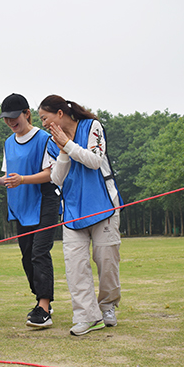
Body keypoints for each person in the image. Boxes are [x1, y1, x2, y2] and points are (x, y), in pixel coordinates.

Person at [38, 95, 123, 336]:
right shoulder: (51, 142)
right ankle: (86, 316)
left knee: (106, 262)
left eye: (45, 117)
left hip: (103, 206)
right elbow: (55, 177)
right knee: (75, 267)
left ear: (60, 114)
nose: (43, 123)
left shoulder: (92, 127)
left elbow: (95, 161)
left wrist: (69, 143)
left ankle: (107, 306)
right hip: (72, 212)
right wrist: (63, 148)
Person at [0, 93, 60, 329]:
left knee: (39, 252)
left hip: (44, 203)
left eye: (14, 117)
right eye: (5, 118)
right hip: (20, 205)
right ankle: (40, 299)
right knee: (27, 256)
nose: (10, 122)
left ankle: (44, 307)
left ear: (26, 114)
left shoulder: (45, 139)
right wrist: (0, 180)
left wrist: (24, 179)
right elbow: (11, 174)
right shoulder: (8, 143)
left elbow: (52, 173)